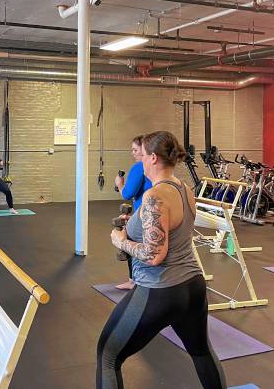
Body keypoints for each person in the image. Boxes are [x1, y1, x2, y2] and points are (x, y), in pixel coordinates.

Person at [98, 131, 226, 389]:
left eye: (142, 155)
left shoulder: (154, 196)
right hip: (193, 286)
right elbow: (172, 230)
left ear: (153, 158)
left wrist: (120, 240)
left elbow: (155, 255)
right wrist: (135, 224)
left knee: (108, 356)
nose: (140, 161)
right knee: (200, 351)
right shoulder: (185, 189)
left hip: (161, 290)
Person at [114, 135, 152, 290]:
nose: (133, 153)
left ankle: (133, 281)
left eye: (136, 150)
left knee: (129, 241)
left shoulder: (139, 167)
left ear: (145, 150)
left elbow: (127, 194)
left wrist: (120, 184)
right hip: (149, 212)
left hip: (143, 214)